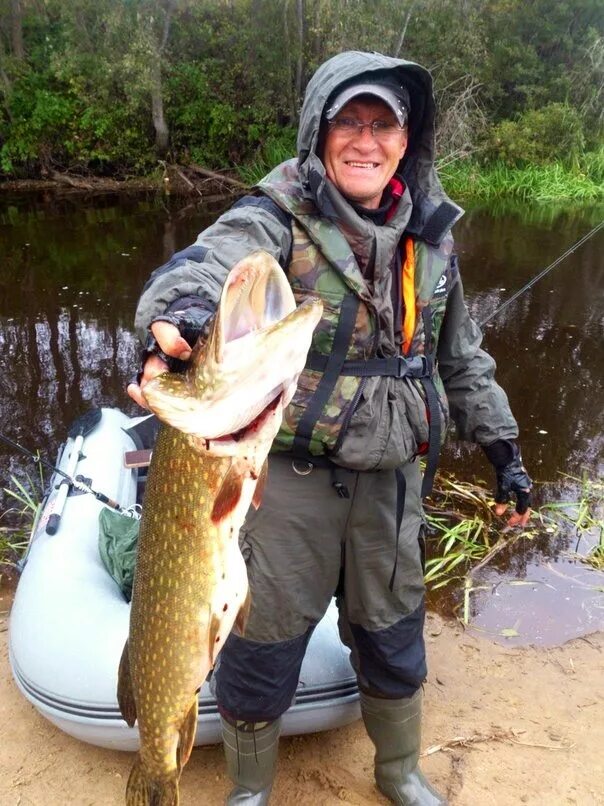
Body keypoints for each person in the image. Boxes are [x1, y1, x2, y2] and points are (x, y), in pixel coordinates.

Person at [128, 51, 532, 806]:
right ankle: (250, 790)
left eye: (384, 124)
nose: (365, 140)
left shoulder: (433, 240)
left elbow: (463, 357)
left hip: (391, 484)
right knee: (263, 638)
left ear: (406, 142)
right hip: (290, 479)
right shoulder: (274, 216)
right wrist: (179, 317)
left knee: (392, 634)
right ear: (320, 130)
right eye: (350, 120)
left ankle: (401, 773)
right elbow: (205, 265)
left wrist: (504, 450)